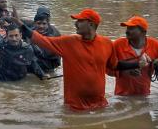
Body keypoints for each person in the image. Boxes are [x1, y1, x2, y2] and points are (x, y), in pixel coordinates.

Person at [13, 9, 148, 111]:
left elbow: (114, 65)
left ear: (90, 24)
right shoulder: (68, 42)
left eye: (79, 21)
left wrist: (137, 64)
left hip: (100, 105)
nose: (76, 24)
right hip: (74, 107)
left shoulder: (106, 43)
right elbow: (42, 40)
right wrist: (21, 25)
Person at [111, 16, 158, 96]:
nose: (127, 31)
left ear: (143, 32)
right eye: (127, 28)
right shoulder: (117, 45)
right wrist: (124, 72)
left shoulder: (155, 45)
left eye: (131, 28)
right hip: (121, 97)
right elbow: (106, 68)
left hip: (144, 96)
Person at [28, 7, 61, 72]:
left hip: (49, 61)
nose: (41, 26)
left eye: (44, 23)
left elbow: (44, 53)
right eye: (39, 23)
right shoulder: (35, 25)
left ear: (48, 21)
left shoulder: (53, 34)